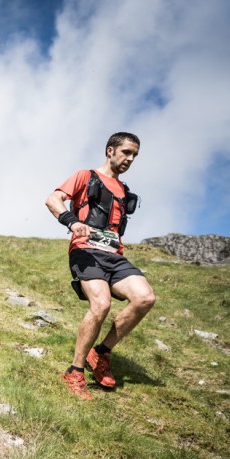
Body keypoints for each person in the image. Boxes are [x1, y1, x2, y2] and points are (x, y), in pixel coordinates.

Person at [44, 132, 156, 400]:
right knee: (101, 305)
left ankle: (101, 352)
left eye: (134, 156)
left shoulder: (125, 191)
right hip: (86, 251)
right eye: (126, 152)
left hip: (114, 256)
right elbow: (52, 199)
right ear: (110, 150)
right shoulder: (86, 176)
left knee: (145, 297)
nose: (130, 159)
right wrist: (72, 222)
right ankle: (75, 371)